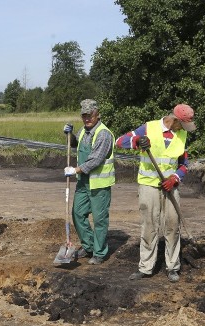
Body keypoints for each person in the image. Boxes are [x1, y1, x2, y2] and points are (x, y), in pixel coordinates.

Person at [116, 103, 195, 283]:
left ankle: (172, 267)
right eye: (182, 124)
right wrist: (136, 142)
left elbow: (184, 164)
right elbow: (119, 141)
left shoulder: (181, 135)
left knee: (173, 226)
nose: (184, 129)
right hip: (148, 186)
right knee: (149, 226)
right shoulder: (149, 127)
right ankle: (146, 267)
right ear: (174, 120)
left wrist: (175, 178)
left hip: (170, 187)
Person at [63, 99, 116, 265]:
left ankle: (100, 253)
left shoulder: (103, 134)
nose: (87, 118)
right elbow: (76, 145)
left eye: (90, 115)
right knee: (77, 214)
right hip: (83, 182)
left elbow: (96, 160)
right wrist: (69, 135)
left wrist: (75, 170)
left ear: (97, 114)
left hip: (99, 184)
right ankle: (89, 246)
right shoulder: (84, 131)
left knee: (99, 220)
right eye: (84, 115)